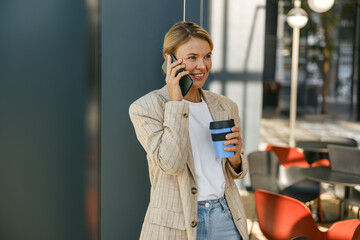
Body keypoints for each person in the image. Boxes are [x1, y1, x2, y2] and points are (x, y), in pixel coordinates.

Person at [129, 21, 248, 240]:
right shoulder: (146, 108)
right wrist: (176, 103)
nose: (202, 66)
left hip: (225, 218)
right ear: (170, 60)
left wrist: (236, 157)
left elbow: (236, 172)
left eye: (207, 56)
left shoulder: (225, 106)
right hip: (176, 225)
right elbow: (171, 164)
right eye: (192, 57)